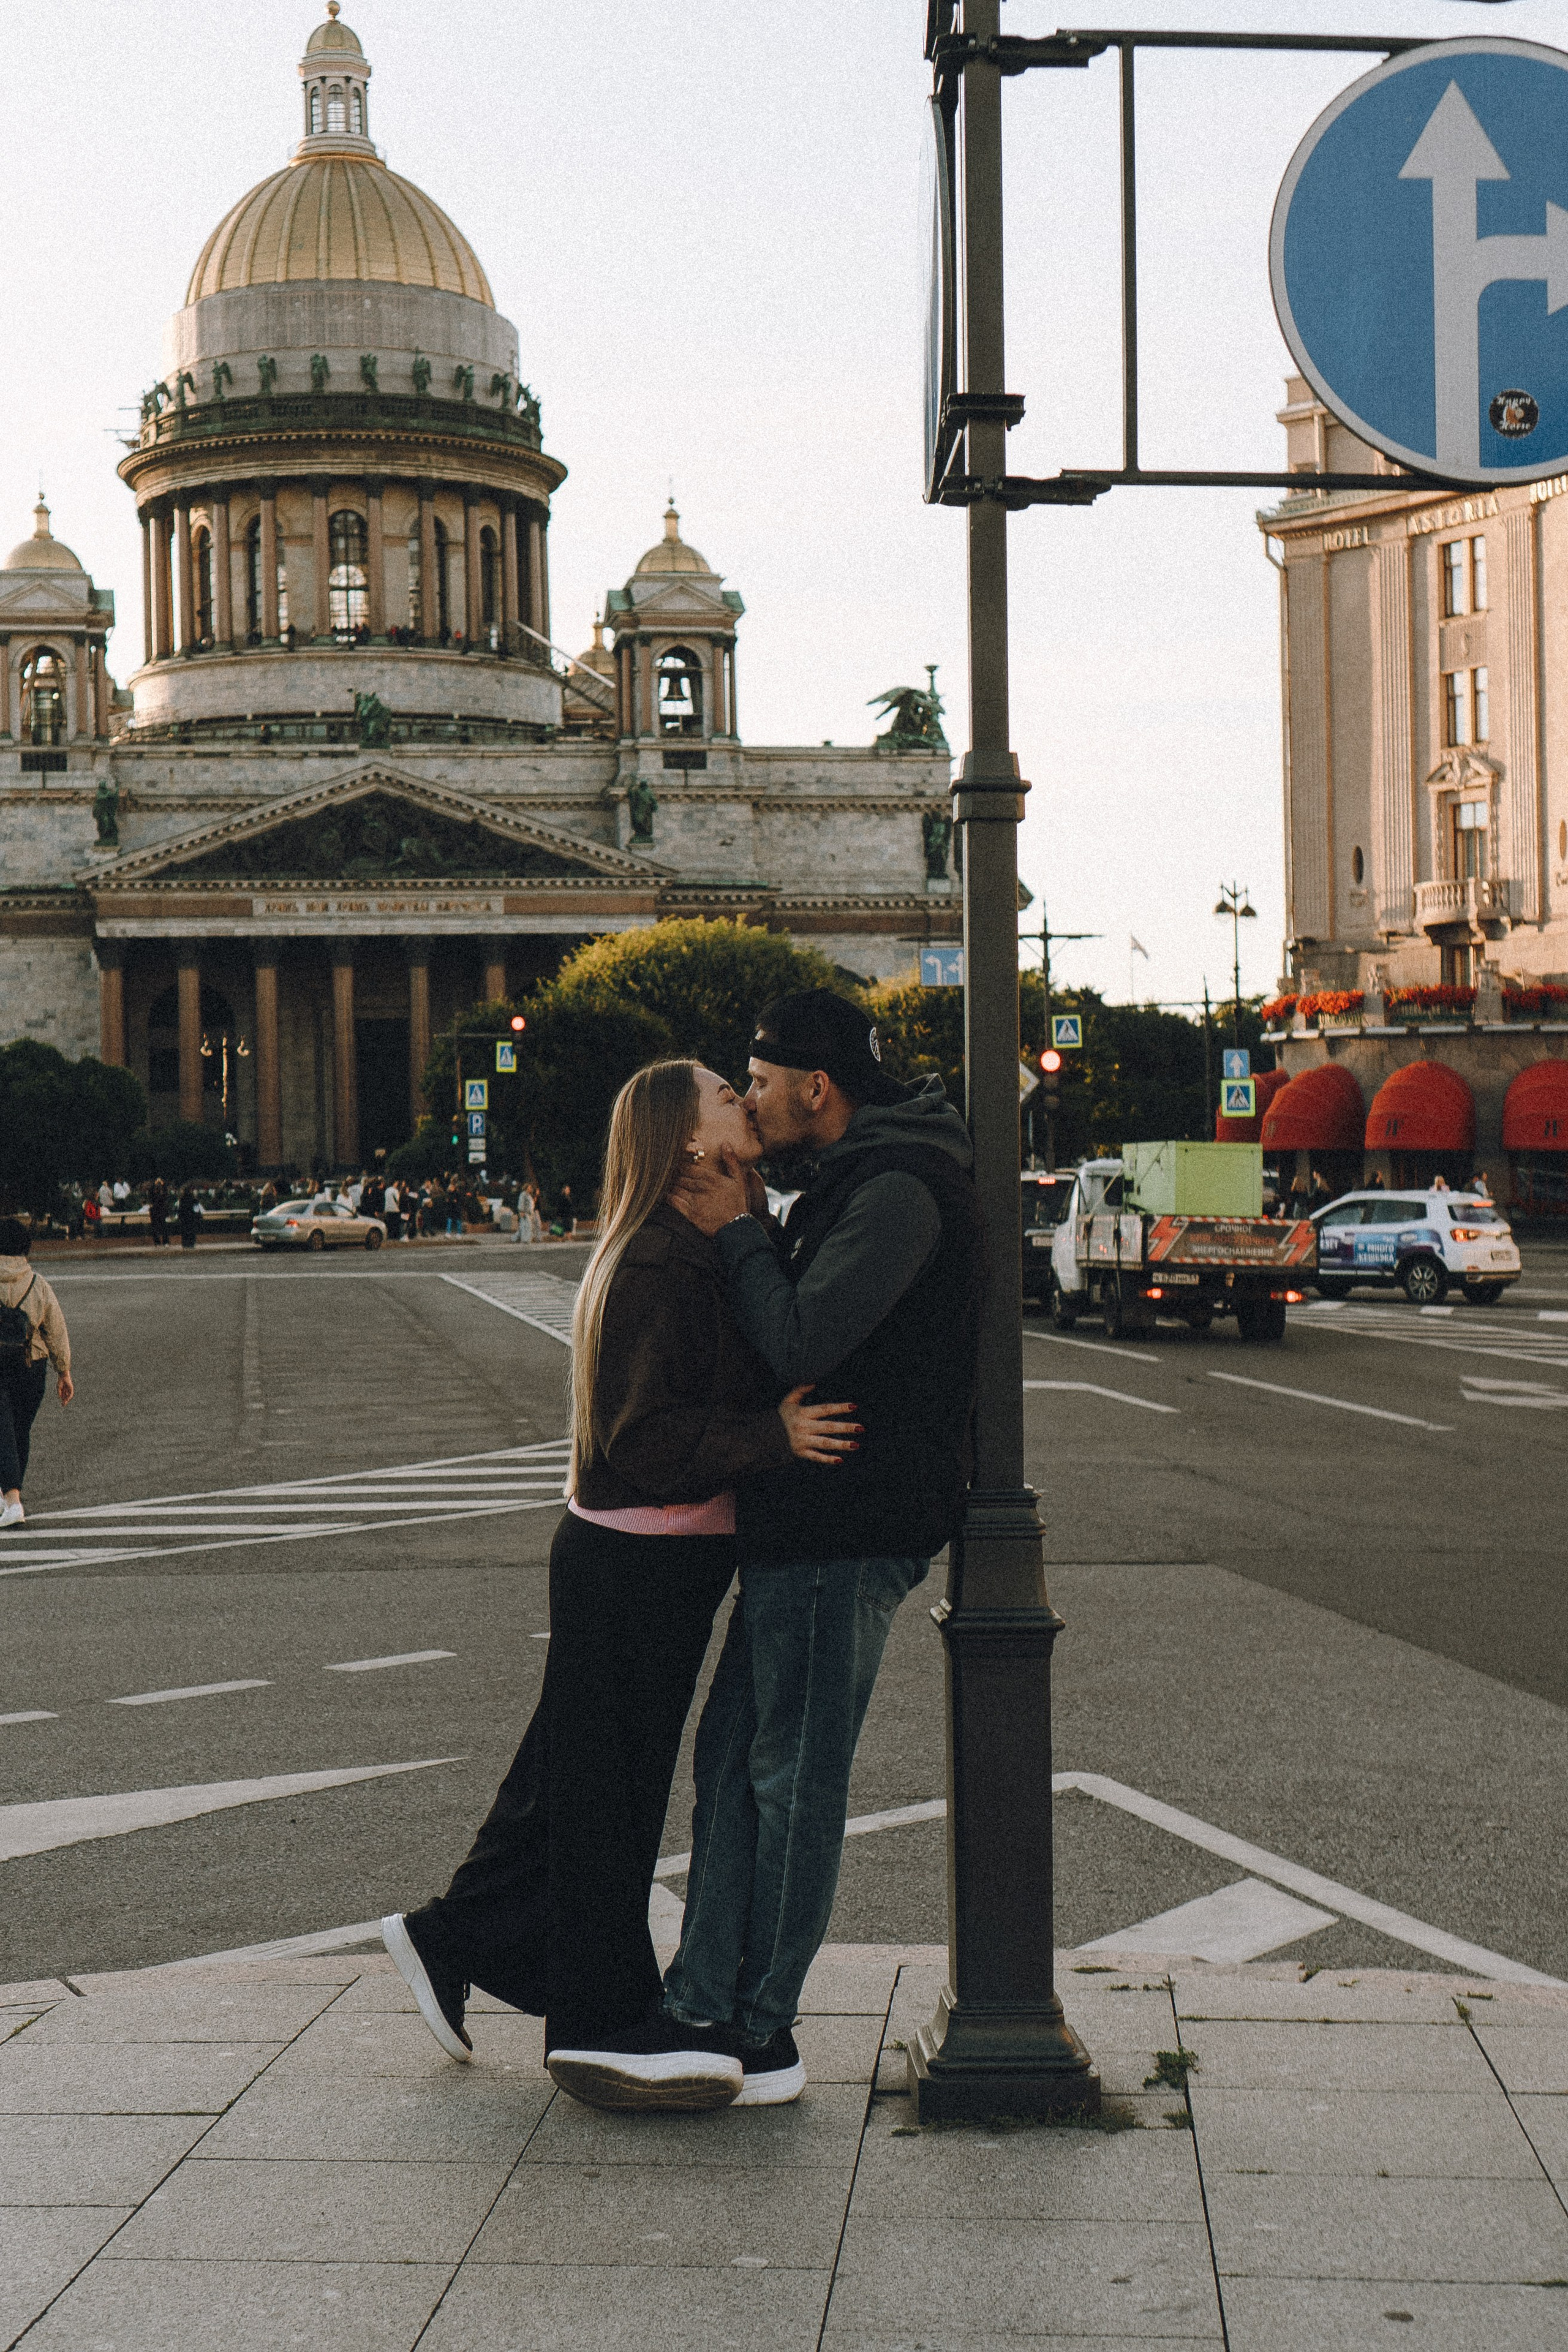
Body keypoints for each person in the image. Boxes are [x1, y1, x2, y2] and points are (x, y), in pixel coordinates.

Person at [382, 1059, 858, 2111]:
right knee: (610, 1792)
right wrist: (770, 1439)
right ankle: (597, 2019)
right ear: (689, 1143)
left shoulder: (691, 1243)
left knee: (567, 1777)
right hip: (639, 1552)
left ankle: (447, 1937)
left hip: (650, 1554)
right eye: (726, 1096)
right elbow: (647, 1440)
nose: (745, 1097)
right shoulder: (656, 1262)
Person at [663, 989, 982, 2106]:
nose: (748, 1100)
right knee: (733, 1763)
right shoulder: (859, 1178)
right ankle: (701, 1999)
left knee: (790, 1777)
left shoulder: (898, 1187)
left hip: (848, 1519)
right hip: (808, 1515)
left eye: (758, 1082)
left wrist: (738, 1230)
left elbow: (804, 1333)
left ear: (816, 1086)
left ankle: (761, 2031)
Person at [0, 1218, 74, 1531]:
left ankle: (12, 1499)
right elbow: (56, 1331)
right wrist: (64, 1372)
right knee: (19, 1432)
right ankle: (10, 1497)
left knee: (2, 1430)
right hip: (32, 1366)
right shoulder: (38, 1284)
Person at [148, 1175, 170, 1247]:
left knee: (164, 1227)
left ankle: (165, 1242)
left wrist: (162, 1185)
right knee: (155, 1227)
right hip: (155, 1211)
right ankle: (157, 1242)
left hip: (161, 1210)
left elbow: (166, 1194)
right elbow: (151, 1196)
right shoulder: (152, 1192)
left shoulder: (163, 1193)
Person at [176, 1183, 199, 1250]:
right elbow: (196, 1203)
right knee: (191, 1230)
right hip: (190, 1215)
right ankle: (191, 1244)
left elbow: (180, 1208)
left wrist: (179, 1216)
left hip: (184, 1216)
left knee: (185, 1230)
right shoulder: (191, 1197)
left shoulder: (182, 1198)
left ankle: (185, 1244)